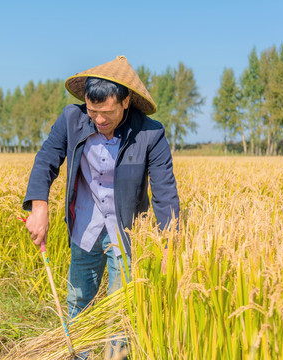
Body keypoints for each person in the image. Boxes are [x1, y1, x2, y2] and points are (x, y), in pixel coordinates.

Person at [22, 56, 180, 357]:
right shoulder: (71, 119)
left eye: (107, 112)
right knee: (78, 300)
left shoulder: (150, 134)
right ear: (85, 102)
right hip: (85, 227)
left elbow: (164, 192)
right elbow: (46, 161)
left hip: (127, 233)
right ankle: (76, 354)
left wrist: (167, 245)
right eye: (93, 112)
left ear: (126, 102)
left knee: (120, 311)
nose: (99, 120)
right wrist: (39, 207)